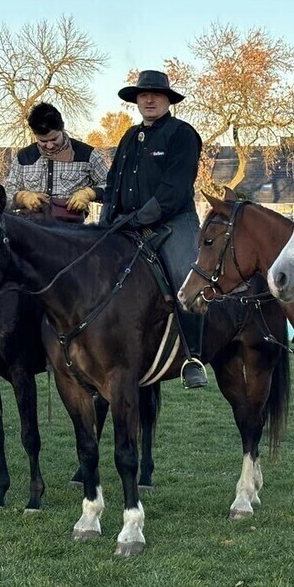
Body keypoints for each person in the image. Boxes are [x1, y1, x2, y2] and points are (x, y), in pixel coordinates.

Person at [101, 70, 207, 388]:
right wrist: (106, 223)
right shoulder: (129, 137)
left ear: (167, 100)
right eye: (143, 95)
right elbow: (113, 182)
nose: (149, 99)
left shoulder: (182, 134)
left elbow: (174, 190)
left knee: (186, 280)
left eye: (156, 95)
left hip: (174, 224)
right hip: (126, 224)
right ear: (136, 100)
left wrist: (136, 220)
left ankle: (193, 357)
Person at [5, 102, 109, 223]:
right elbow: (7, 195)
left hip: (71, 230)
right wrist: (22, 197)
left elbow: (111, 186)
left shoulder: (87, 155)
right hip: (30, 229)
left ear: (62, 128)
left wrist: (90, 193)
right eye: (43, 141)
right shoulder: (23, 157)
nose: (49, 146)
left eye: (54, 139)